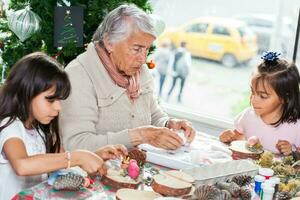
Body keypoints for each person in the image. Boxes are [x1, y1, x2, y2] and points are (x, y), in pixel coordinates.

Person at [59, 4, 196, 152]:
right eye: (137, 49)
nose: (143, 59)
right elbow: (75, 144)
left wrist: (169, 124)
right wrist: (140, 136)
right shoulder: (79, 74)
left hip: (133, 167)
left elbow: (153, 114)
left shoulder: (140, 71)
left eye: (147, 49)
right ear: (109, 42)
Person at [0, 52, 127, 199]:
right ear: (26, 92)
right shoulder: (10, 125)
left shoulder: (40, 128)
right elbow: (22, 165)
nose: (59, 108)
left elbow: (62, 161)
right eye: (51, 100)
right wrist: (79, 157)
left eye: (60, 100)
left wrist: (94, 156)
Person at [219, 52, 300, 155]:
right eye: (253, 92)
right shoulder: (247, 115)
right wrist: (228, 137)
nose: (253, 100)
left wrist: (292, 153)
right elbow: (236, 140)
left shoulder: (296, 126)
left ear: (285, 97)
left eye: (263, 96)